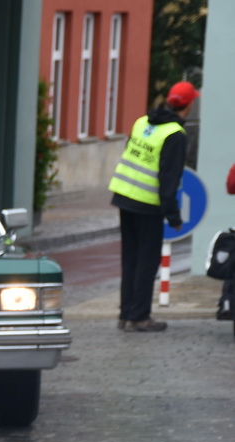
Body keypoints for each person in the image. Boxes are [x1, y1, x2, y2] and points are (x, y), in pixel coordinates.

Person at [109, 80, 195, 333]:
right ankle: (139, 317)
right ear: (188, 106)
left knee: (131, 260)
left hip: (125, 197)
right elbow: (169, 179)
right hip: (147, 204)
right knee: (147, 262)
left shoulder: (142, 121)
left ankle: (126, 314)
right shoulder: (174, 135)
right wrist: (173, 215)